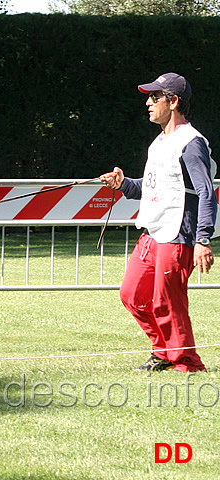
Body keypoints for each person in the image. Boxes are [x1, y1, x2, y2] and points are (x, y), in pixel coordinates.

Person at [100, 72, 216, 373]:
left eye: (155, 97)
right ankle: (165, 352)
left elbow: (206, 192)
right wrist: (124, 184)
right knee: (132, 295)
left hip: (178, 234)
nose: (148, 103)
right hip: (153, 231)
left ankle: (187, 363)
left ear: (173, 102)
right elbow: (150, 188)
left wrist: (203, 239)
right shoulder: (160, 142)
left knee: (168, 302)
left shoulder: (192, 143)